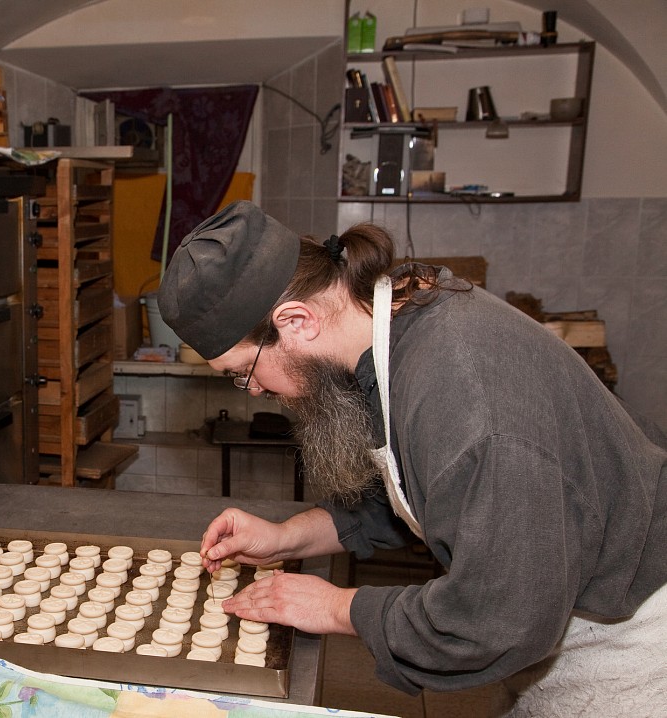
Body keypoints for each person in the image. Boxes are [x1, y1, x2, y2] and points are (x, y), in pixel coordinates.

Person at [158, 200, 667, 715]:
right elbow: (416, 487)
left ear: (297, 320)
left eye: (242, 372)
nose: (253, 391)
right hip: (560, 613)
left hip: (633, 639)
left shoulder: (468, 402)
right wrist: (289, 536)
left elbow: (492, 620)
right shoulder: (396, 323)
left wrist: (337, 607)